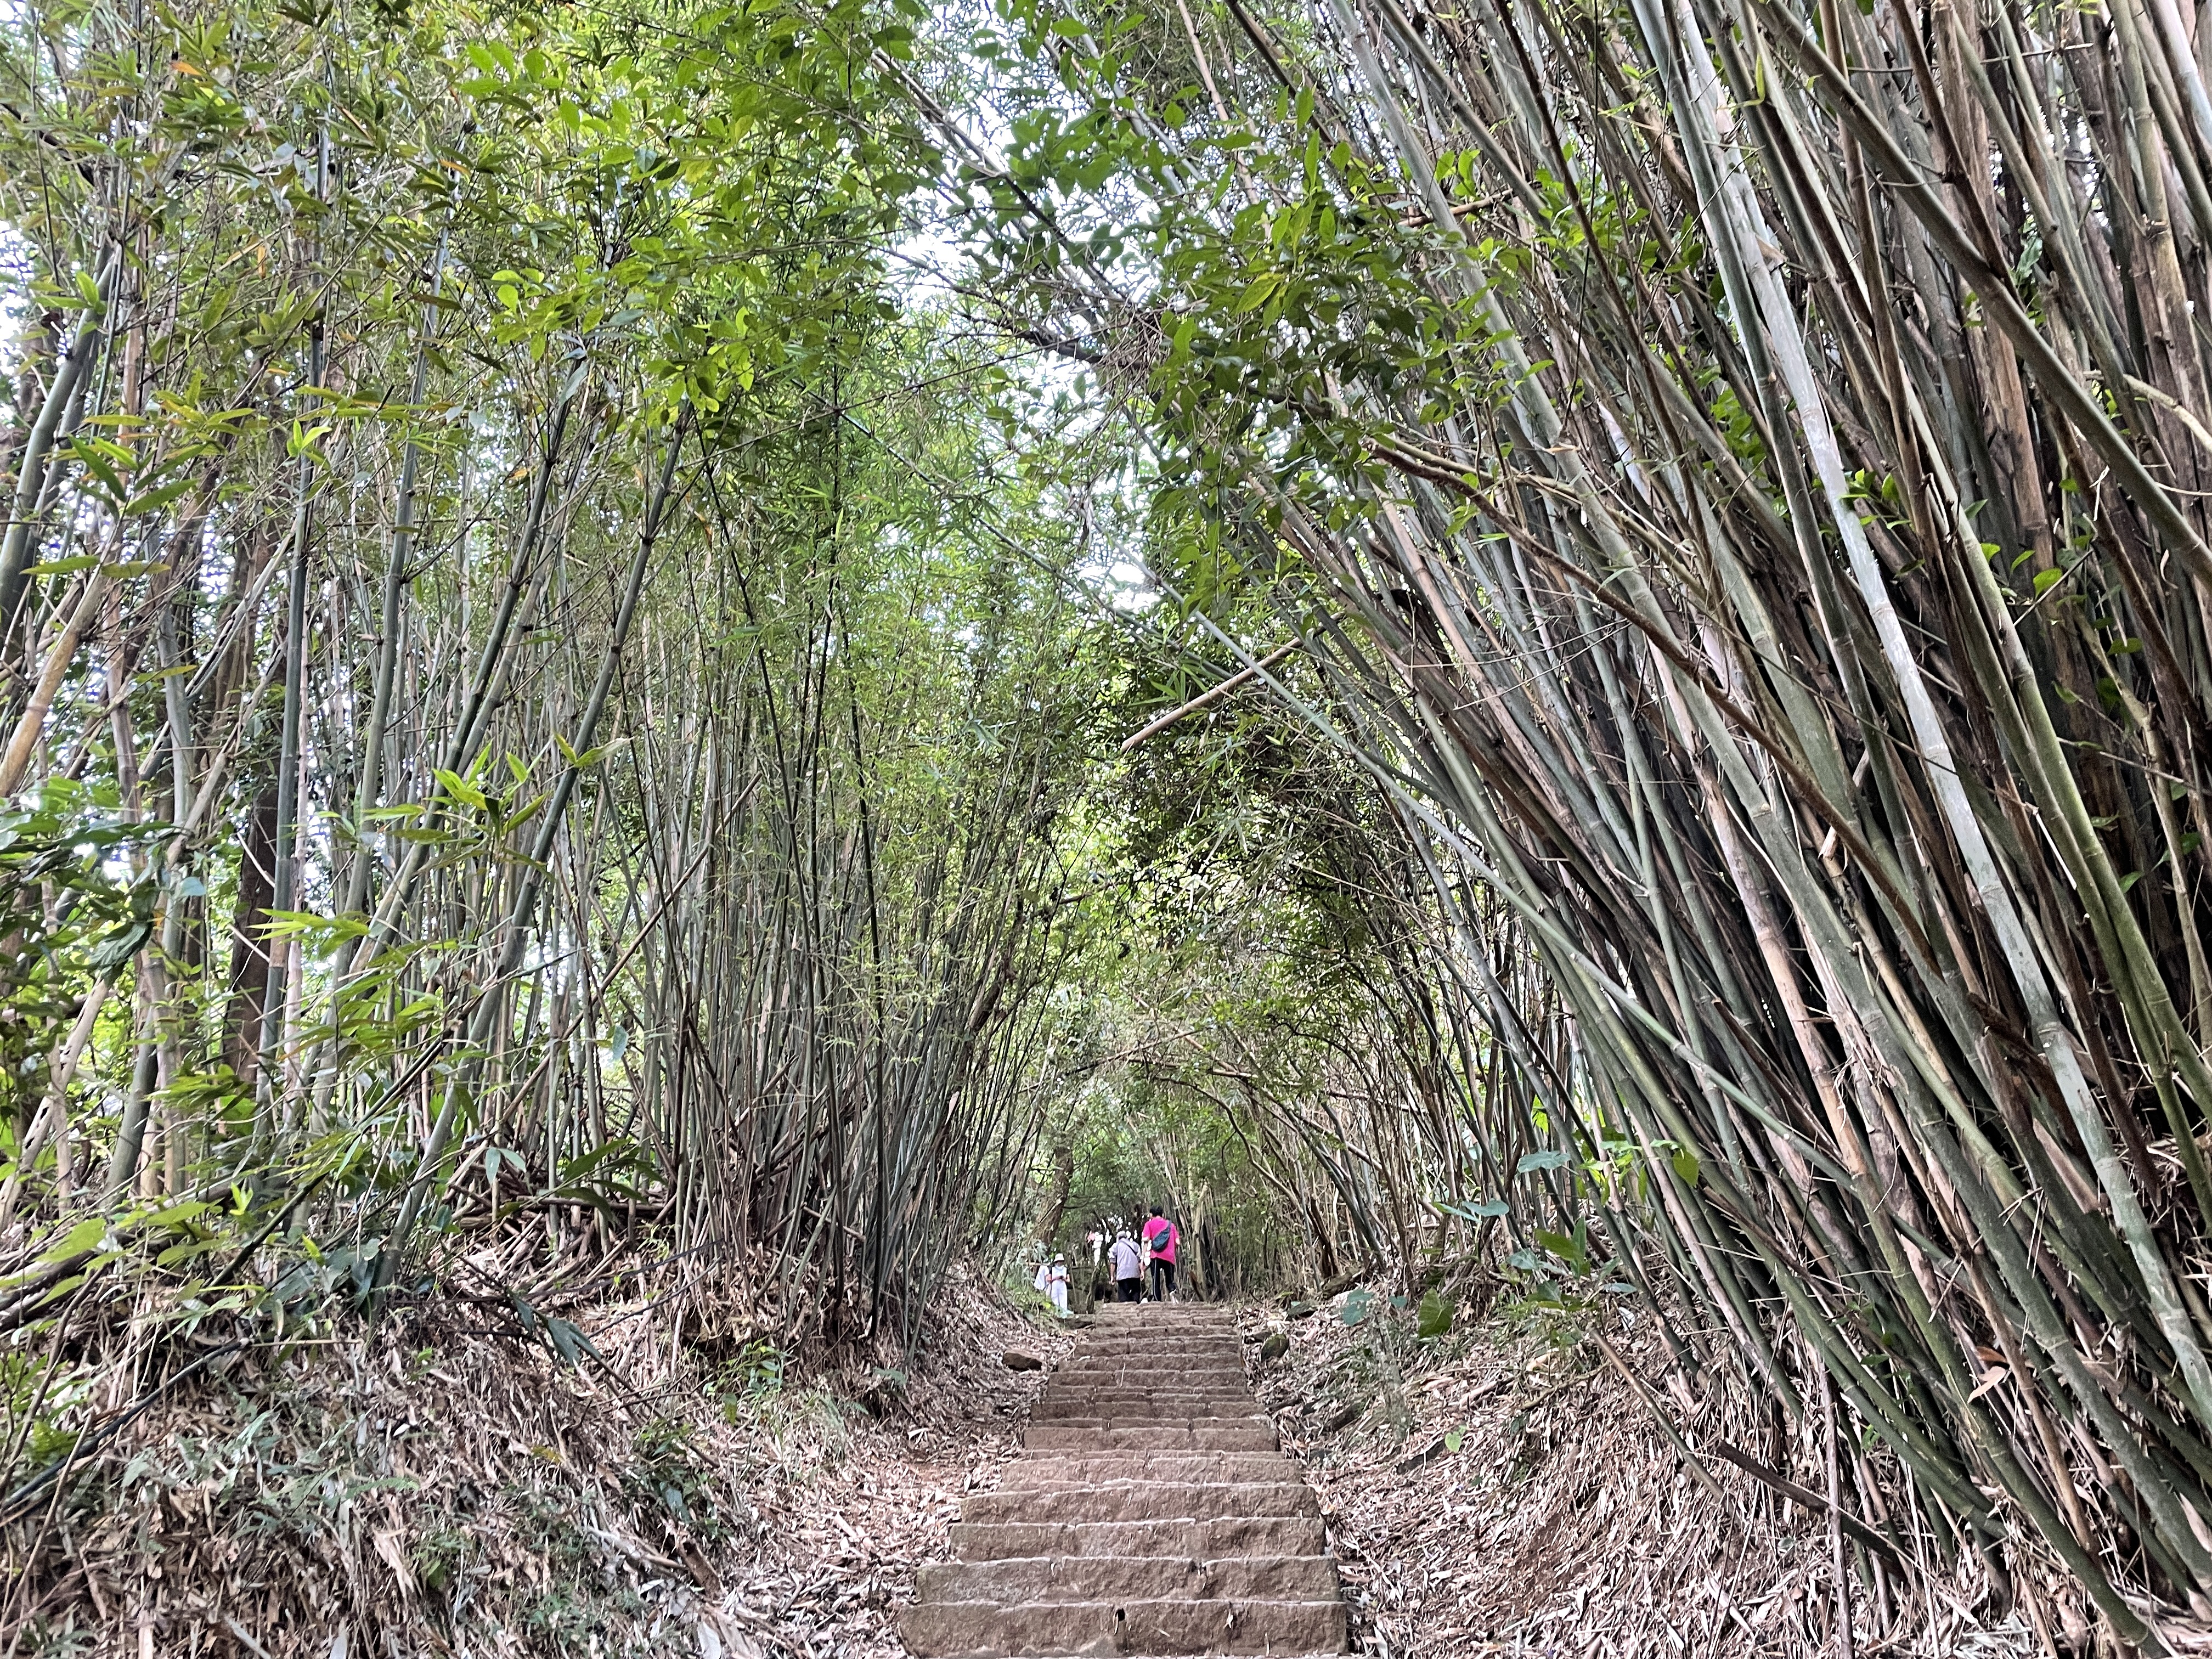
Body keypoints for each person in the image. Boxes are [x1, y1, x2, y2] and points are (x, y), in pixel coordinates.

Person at [1142, 1205, 1178, 1301]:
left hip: (1156, 1255)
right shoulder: (1171, 1225)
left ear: (1151, 1214)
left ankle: (1157, 1301)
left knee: (1156, 1280)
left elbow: (1145, 1240)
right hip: (1170, 1257)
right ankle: (1172, 1291)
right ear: (1162, 1214)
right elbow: (1178, 1242)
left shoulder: (1149, 1224)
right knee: (1170, 1281)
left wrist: (1142, 1259)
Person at [1109, 1229, 1143, 1301]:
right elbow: (1140, 1261)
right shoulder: (1135, 1245)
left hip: (1122, 1275)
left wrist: (1112, 1276)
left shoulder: (1115, 1246)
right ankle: (1136, 1308)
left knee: (1123, 1297)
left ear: (1118, 1238)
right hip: (1135, 1274)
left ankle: (1126, 1311)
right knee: (1136, 1294)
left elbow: (1113, 1263)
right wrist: (1142, 1272)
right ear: (1126, 1237)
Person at [1047, 1254, 1069, 1318]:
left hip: (1063, 1285)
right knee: (1055, 1300)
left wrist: (1064, 1279)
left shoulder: (1065, 1269)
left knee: (1064, 1300)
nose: (1060, 1262)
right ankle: (1055, 1315)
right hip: (1055, 1285)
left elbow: (1068, 1280)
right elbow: (1049, 1279)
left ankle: (1064, 1315)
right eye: (1058, 1261)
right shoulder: (1052, 1269)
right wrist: (1056, 1278)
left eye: (1061, 1261)